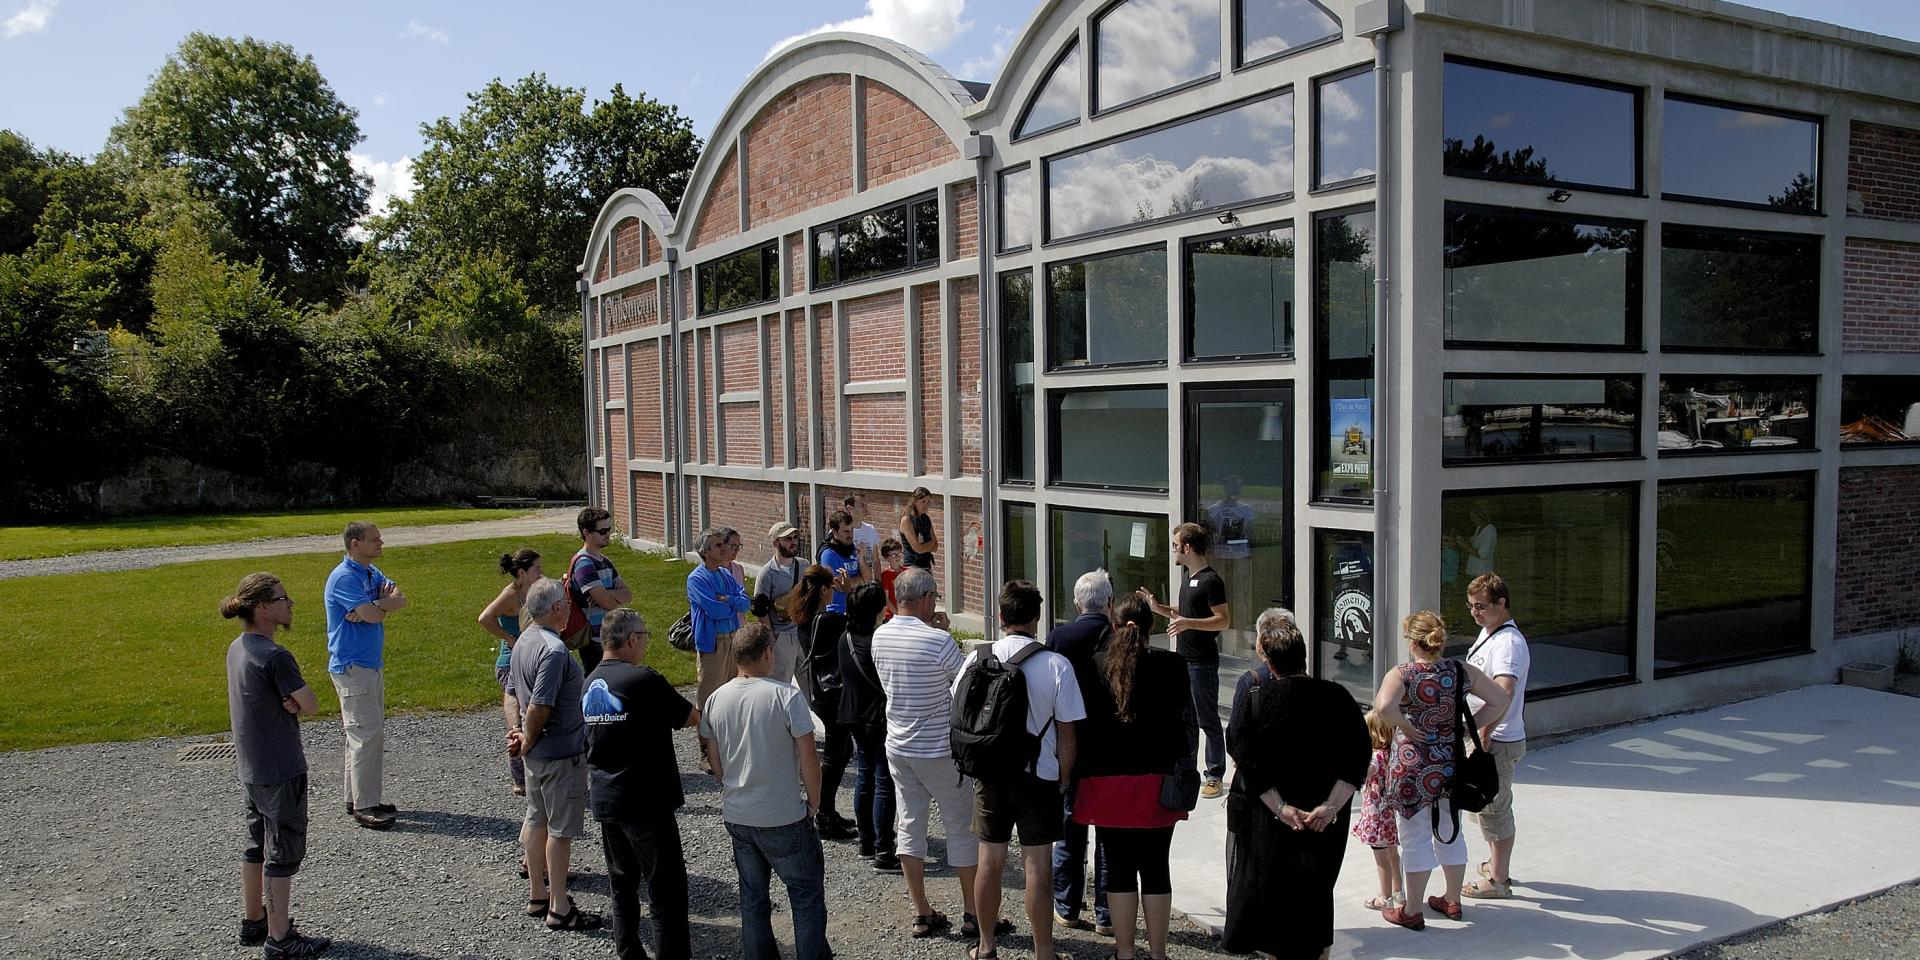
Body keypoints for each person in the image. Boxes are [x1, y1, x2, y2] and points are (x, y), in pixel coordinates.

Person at [1221, 609, 1371, 960]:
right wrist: (1330, 806)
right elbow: (1358, 756)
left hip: (1271, 820)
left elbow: (1244, 757)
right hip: (1323, 822)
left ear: (1267, 660)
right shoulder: (1338, 697)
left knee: (1274, 898)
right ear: (1304, 654)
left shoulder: (1256, 697)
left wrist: (1281, 808)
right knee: (1317, 895)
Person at [959, 580, 1085, 960]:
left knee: (990, 861)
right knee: (1038, 867)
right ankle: (1044, 952)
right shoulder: (1056, 665)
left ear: (999, 616)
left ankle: (985, 945)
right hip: (1038, 776)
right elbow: (1068, 734)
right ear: (1037, 617)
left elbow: (961, 715)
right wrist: (1064, 778)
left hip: (990, 773)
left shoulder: (977, 658)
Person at [1371, 611, 1512, 930]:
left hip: (1411, 766)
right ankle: (1452, 899)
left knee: (1415, 836)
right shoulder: (1459, 670)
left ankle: (1412, 909)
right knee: (1450, 830)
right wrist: (1467, 727)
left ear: (1411, 640)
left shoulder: (1403, 673)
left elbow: (1382, 707)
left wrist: (1406, 724)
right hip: (1450, 762)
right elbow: (1500, 698)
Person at [1073, 592, 1195, 960]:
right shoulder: (1174, 665)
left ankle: (1125, 953)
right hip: (1158, 782)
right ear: (1151, 626)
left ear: (1112, 626)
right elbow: (1188, 726)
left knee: (1119, 870)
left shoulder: (1092, 666)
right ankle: (1158, 954)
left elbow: (1081, 729)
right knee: (1157, 867)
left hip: (1105, 784)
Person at [699, 623, 832, 960]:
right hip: (783, 815)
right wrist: (815, 804)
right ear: (767, 653)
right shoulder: (786, 696)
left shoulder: (717, 698)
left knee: (753, 897)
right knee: (805, 895)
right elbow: (809, 759)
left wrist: (730, 785)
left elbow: (714, 759)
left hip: (738, 815)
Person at [870, 567, 983, 939]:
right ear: (926, 599)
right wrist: (941, 631)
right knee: (960, 827)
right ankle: (973, 912)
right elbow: (964, 685)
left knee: (910, 824)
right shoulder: (937, 641)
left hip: (899, 746)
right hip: (938, 749)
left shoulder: (879, 636)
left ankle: (921, 911)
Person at [222, 573, 331, 959]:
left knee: (256, 845)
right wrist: (297, 702)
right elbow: (313, 702)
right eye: (284, 599)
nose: (290, 605)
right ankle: (280, 936)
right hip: (281, 768)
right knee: (281, 853)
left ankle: (254, 920)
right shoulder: (276, 656)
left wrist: (289, 702)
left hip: (252, 767)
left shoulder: (238, 647)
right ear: (263, 607)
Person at [585, 609, 699, 960]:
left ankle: (629, 951)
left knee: (622, 885)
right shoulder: (642, 680)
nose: (646, 643)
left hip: (607, 797)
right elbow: (690, 716)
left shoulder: (589, 683)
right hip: (645, 799)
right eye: (645, 637)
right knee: (666, 890)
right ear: (632, 639)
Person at [506, 578, 602, 932]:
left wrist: (518, 734)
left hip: (536, 756)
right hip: (560, 753)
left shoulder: (523, 641)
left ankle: (537, 894)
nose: (569, 608)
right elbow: (542, 704)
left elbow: (513, 693)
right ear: (557, 608)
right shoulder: (554, 650)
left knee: (536, 821)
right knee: (560, 832)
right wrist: (527, 737)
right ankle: (559, 906)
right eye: (565, 603)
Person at [1135, 521, 1229, 799]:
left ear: (1187, 547)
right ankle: (1187, 768)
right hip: (1183, 660)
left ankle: (1215, 774)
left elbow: (1223, 621)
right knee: (1185, 719)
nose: (1174, 550)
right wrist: (1158, 607)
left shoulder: (1212, 581)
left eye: (1176, 546)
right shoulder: (1189, 577)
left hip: (1202, 663)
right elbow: (1184, 611)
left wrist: (1189, 623)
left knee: (1207, 720)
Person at [323, 520, 406, 829]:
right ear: (355, 544)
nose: (381, 543)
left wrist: (374, 606)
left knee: (359, 734)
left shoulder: (370, 573)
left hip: (369, 664)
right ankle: (366, 805)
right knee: (366, 735)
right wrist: (376, 609)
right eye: (374, 539)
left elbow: (400, 599)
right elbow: (374, 613)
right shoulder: (344, 577)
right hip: (353, 666)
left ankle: (355, 796)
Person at [1046, 570, 1115, 936]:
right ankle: (1106, 914)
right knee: (1107, 834)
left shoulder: (1059, 637)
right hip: (1110, 750)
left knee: (1069, 829)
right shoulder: (1119, 638)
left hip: (1068, 745)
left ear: (1077, 604)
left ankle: (1067, 905)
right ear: (1110, 603)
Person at [1461, 572, 1530, 900]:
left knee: (1496, 808)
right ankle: (1494, 864)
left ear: (1501, 604)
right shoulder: (1489, 632)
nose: (1474, 612)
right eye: (1471, 606)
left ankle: (1499, 881)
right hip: (1487, 735)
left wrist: (1484, 733)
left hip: (1497, 738)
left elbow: (1504, 691)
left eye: (1480, 606)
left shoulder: (1508, 644)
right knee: (1484, 807)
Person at [786, 564, 857, 841]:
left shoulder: (805, 618)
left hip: (821, 692)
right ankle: (824, 814)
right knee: (837, 753)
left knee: (840, 750)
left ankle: (826, 810)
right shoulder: (826, 621)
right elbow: (859, 623)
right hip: (834, 694)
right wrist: (849, 592)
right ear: (825, 589)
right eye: (831, 588)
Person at [838, 582, 901, 872]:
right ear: (878, 610)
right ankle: (884, 849)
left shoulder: (846, 638)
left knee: (865, 776)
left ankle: (866, 841)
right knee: (883, 781)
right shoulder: (877, 641)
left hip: (852, 714)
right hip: (878, 717)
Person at [479, 549, 542, 797]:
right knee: (517, 720)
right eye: (537, 568)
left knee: (535, 716)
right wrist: (509, 638)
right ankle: (520, 778)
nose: (541, 572)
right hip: (510, 664)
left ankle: (537, 771)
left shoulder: (533, 591)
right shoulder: (511, 595)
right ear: (522, 572)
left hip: (530, 661)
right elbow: (485, 617)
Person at [688, 526, 751, 716]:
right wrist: (732, 603)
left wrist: (728, 599)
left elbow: (745, 603)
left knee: (734, 691)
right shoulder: (697, 579)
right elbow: (715, 611)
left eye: (724, 544)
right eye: (717, 545)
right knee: (710, 695)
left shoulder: (726, 574)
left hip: (734, 638)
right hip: (714, 642)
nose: (724, 549)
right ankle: (706, 742)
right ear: (705, 552)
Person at [570, 506, 632, 675]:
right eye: (602, 531)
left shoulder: (604, 561)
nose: (608, 534)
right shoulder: (584, 563)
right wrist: (611, 596)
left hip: (608, 635)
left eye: (609, 529)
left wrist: (608, 593)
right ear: (586, 533)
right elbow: (606, 603)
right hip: (593, 639)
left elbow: (627, 596)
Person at [1353, 708, 1403, 912]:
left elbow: (1366, 772)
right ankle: (1398, 891)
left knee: (1381, 857)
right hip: (1390, 816)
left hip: (1377, 817)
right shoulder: (1394, 753)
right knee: (1393, 854)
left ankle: (1385, 897)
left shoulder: (1377, 756)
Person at [753, 520, 807, 684]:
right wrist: (772, 638)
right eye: (788, 539)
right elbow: (760, 610)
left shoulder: (804, 565)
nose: (793, 542)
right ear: (776, 542)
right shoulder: (766, 573)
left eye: (795, 537)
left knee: (811, 688)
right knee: (780, 685)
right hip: (782, 636)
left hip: (804, 634)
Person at [1205, 475, 1256, 644]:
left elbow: (1250, 534)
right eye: (1232, 487)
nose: (1235, 491)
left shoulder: (1246, 510)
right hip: (1220, 557)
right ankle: (1216, 634)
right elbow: (1210, 536)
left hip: (1240, 557)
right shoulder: (1214, 510)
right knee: (1218, 598)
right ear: (1225, 488)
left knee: (1241, 596)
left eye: (1238, 487)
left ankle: (1240, 634)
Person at [818, 510, 866, 615]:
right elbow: (839, 585)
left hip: (855, 610)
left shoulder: (854, 548)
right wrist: (860, 579)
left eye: (852, 530)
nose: (851, 535)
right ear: (835, 532)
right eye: (846, 531)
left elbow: (868, 579)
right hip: (836, 612)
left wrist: (861, 559)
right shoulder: (828, 554)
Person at [897, 486, 938, 570]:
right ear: (915, 501)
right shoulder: (907, 520)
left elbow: (935, 547)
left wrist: (926, 545)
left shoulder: (926, 519)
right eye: (923, 501)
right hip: (912, 567)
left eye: (928, 502)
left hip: (927, 566)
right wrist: (930, 543)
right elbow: (918, 548)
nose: (925, 505)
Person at [844, 492, 883, 576]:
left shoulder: (870, 529)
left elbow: (875, 561)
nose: (866, 509)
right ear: (850, 508)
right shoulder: (840, 532)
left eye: (866, 505)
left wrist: (878, 584)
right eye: (862, 505)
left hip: (868, 582)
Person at [878, 538, 905, 620]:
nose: (897, 557)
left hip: (906, 613)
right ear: (886, 557)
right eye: (893, 555)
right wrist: (897, 614)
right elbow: (886, 599)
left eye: (899, 554)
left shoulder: (907, 571)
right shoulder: (885, 575)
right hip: (892, 616)